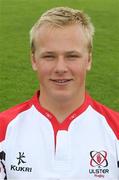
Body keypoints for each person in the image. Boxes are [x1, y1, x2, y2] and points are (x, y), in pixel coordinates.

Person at [0, 6, 119, 180]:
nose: (60, 68)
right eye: (49, 56)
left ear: (89, 60)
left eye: (72, 56)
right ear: (34, 60)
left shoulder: (115, 131)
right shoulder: (4, 130)